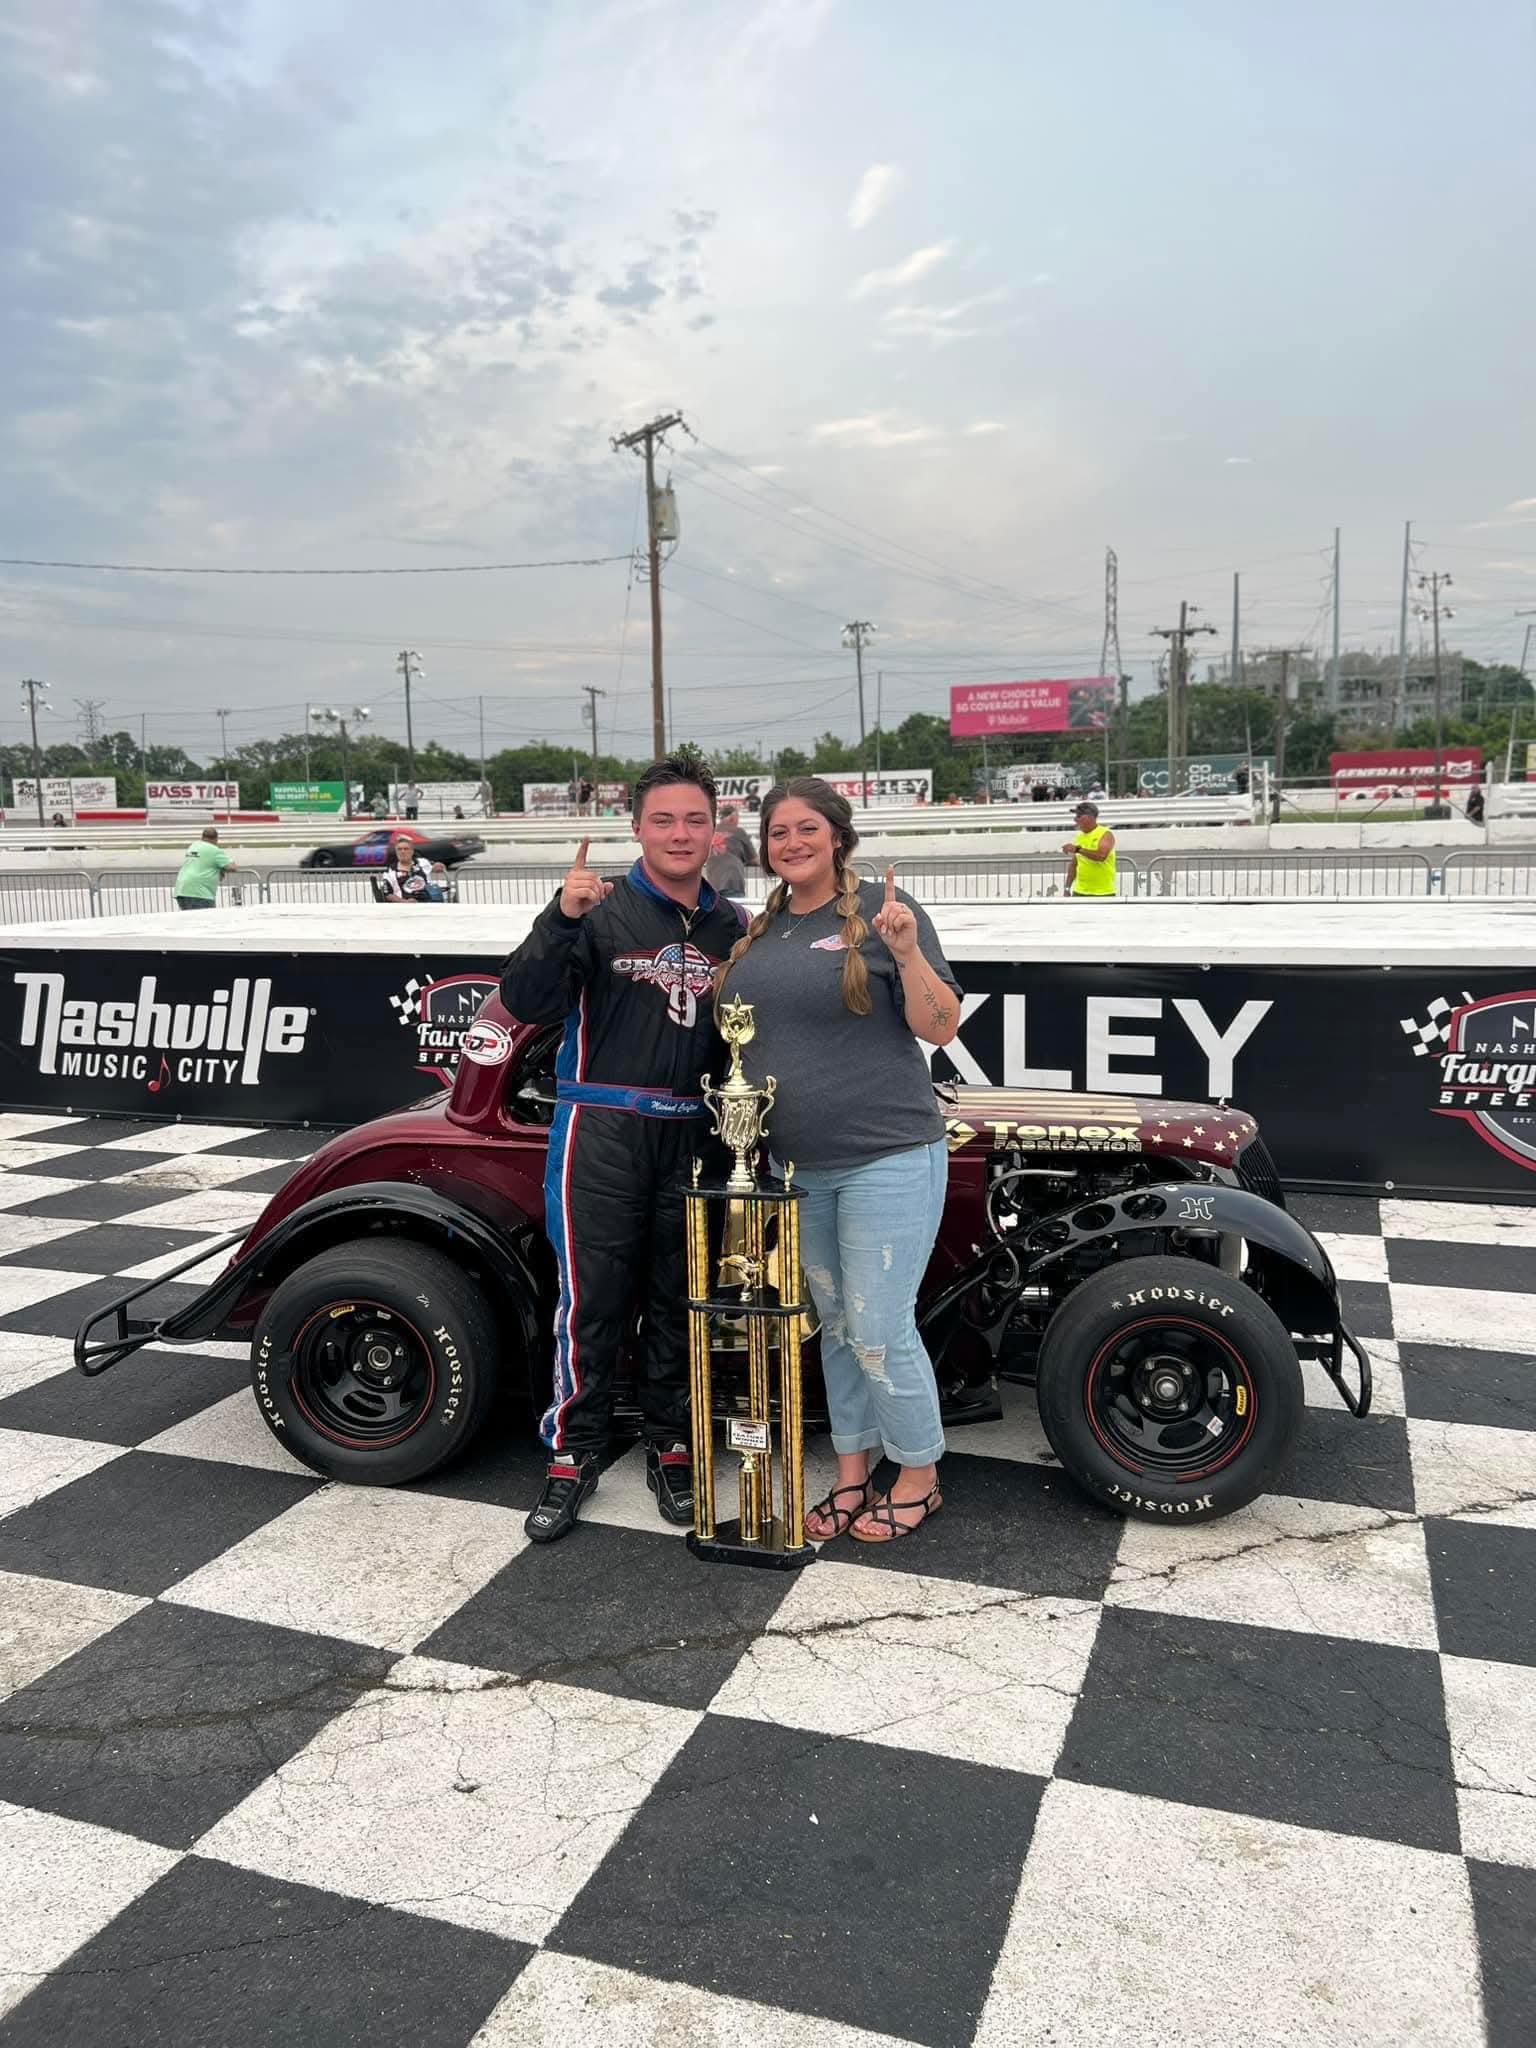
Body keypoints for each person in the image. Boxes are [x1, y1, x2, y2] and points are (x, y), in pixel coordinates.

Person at [499, 754, 746, 1544]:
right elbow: (527, 1000)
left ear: (716, 830)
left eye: (694, 819)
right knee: (593, 1301)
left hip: (697, 1134)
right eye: (663, 820)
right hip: (600, 1132)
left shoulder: (735, 927)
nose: (680, 833)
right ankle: (574, 1452)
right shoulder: (596, 908)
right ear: (636, 828)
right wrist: (559, 919)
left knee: (682, 1302)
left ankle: (673, 1445)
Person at [716, 777, 963, 1544]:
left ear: (837, 837)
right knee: (835, 1324)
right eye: (778, 831)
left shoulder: (887, 915)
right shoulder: (764, 928)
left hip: (885, 1156)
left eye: (807, 829)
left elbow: (942, 1028)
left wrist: (906, 951)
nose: (792, 843)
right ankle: (853, 1473)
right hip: (796, 1168)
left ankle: (918, 1475)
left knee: (880, 1326)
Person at [1063, 800, 1117, 898]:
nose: (1075, 819)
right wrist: (1067, 888)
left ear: (1090, 817)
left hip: (1103, 893)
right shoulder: (1080, 837)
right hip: (1079, 892)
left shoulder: (1105, 834)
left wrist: (1078, 850)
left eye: (1078, 816)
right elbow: (1074, 865)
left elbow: (1101, 856)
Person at [704, 801, 756, 899]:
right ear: (732, 817)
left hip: (713, 883)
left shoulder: (709, 831)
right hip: (732, 881)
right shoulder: (738, 831)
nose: (738, 820)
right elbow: (753, 859)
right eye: (737, 817)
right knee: (734, 912)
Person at [173, 825, 233, 911]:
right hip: (200, 894)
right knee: (206, 922)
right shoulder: (214, 850)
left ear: (202, 837)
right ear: (216, 839)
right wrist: (221, 869)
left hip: (181, 891)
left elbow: (202, 863)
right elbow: (232, 867)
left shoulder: (193, 846)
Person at [375, 834, 434, 903]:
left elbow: (435, 867)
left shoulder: (422, 863)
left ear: (412, 851)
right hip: (404, 907)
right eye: (399, 849)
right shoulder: (390, 871)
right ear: (396, 852)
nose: (402, 852)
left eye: (406, 849)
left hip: (427, 904)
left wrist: (438, 865)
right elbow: (387, 894)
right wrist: (404, 902)